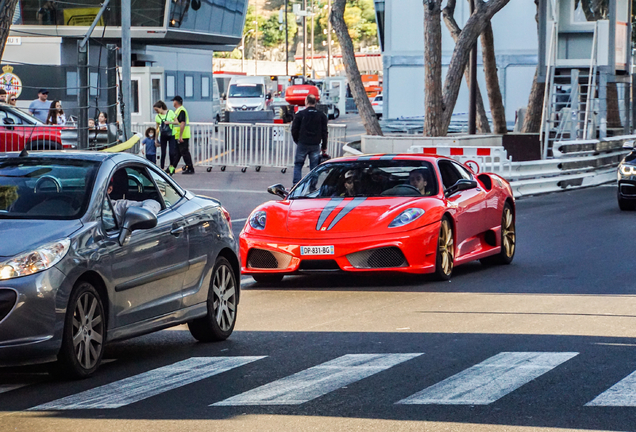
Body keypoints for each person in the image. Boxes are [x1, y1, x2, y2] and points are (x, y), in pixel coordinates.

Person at [291, 94, 328, 185]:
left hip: (303, 143)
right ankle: (312, 186)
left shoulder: (300, 115)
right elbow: (324, 132)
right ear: (315, 102)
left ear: (306, 102)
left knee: (298, 164)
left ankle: (296, 184)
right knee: (314, 167)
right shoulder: (321, 115)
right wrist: (324, 146)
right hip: (315, 144)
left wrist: (297, 141)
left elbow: (294, 130)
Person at [169, 96, 194, 175]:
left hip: (182, 135)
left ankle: (190, 168)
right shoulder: (178, 111)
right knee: (177, 153)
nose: (173, 103)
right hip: (178, 135)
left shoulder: (181, 110)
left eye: (173, 101)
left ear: (176, 102)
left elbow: (182, 123)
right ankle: (171, 168)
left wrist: (180, 136)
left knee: (184, 152)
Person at [153, 100, 178, 172]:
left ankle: (171, 166)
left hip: (171, 134)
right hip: (163, 135)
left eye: (157, 110)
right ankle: (162, 168)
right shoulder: (157, 117)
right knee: (163, 152)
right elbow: (157, 128)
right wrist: (156, 139)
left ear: (161, 107)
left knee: (172, 152)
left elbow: (177, 122)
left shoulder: (170, 112)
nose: (156, 111)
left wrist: (170, 122)